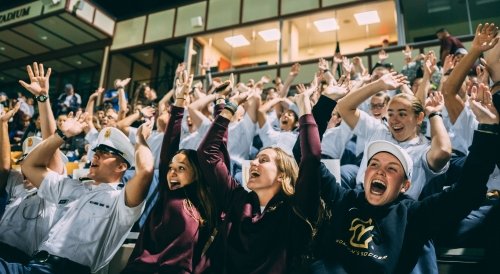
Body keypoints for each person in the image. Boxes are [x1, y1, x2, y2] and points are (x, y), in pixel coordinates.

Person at [0, 59, 155, 272]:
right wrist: (61, 132)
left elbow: (145, 170)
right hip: (35, 264)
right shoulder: (74, 188)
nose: (96, 155)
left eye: (105, 153)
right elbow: (30, 167)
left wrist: (140, 140)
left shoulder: (120, 203)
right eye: (96, 151)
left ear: (121, 167)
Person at [197, 83, 322, 273]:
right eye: (255, 158)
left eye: (263, 160)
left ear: (282, 174)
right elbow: (207, 153)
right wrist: (228, 108)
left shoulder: (296, 208)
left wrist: (304, 105)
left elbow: (311, 158)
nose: (253, 163)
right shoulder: (237, 198)